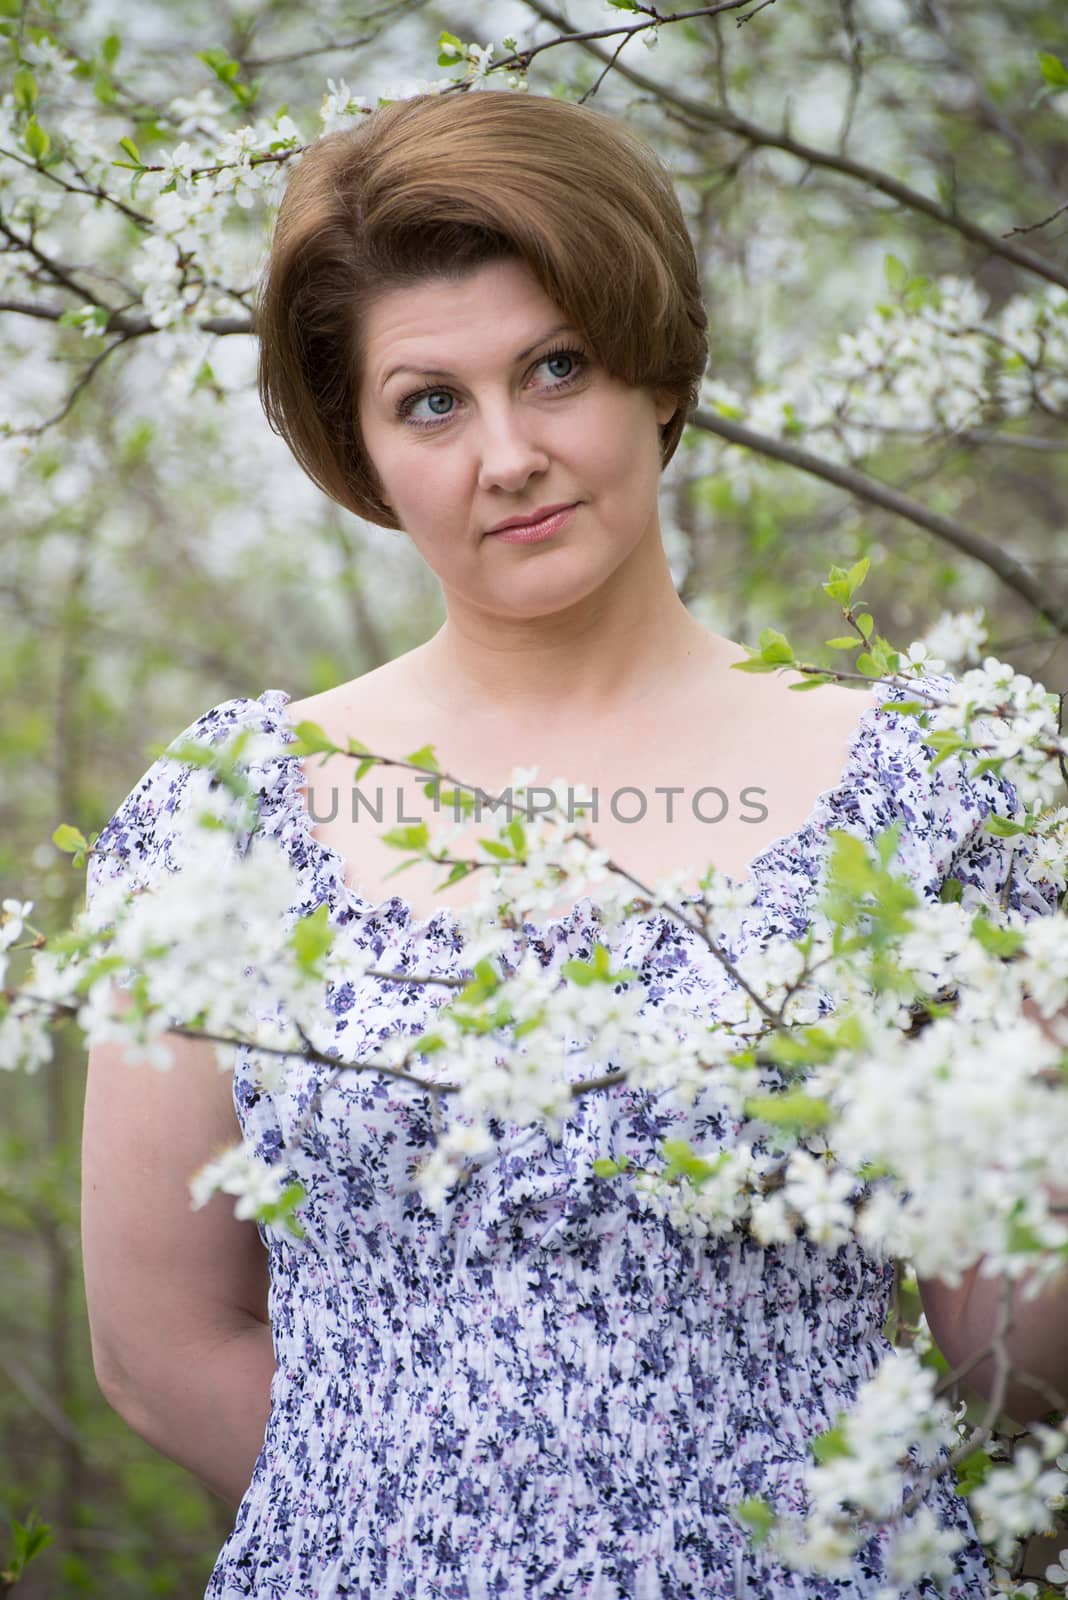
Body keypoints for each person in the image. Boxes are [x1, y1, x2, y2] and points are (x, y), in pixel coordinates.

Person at [81, 90, 1066, 1598]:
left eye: (557, 369)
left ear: (655, 372)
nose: (508, 455)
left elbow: (1015, 1354)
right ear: (358, 451)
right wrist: (438, 1529)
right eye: (430, 403)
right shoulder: (224, 820)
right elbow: (160, 1348)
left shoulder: (925, 795)